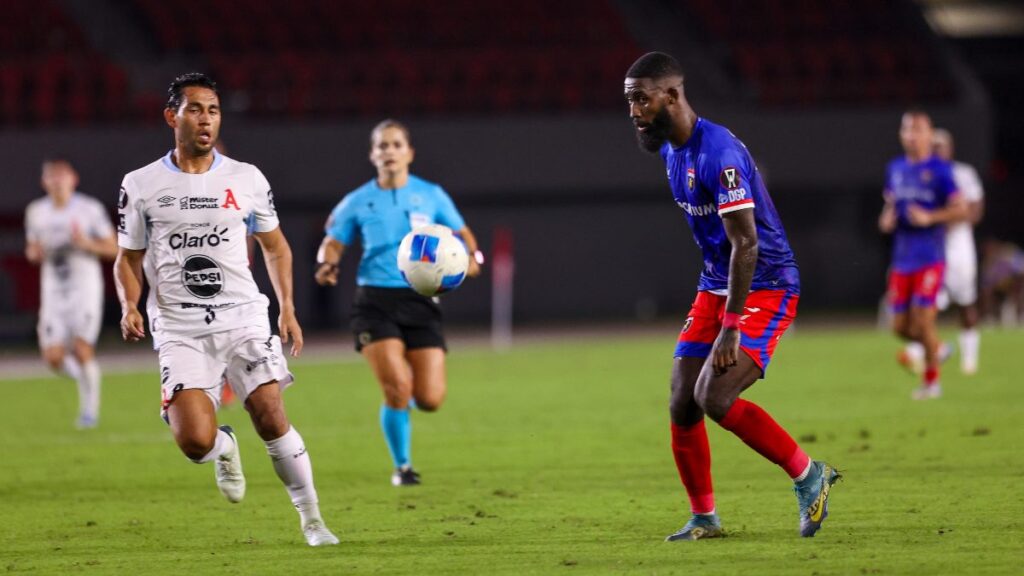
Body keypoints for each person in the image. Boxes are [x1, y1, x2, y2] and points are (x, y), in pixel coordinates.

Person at [113, 73, 337, 546]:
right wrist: (128, 304)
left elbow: (275, 248)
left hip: (242, 318)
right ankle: (223, 445)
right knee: (194, 441)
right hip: (179, 326)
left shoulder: (247, 178)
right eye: (195, 109)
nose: (205, 119)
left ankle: (313, 520)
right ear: (172, 116)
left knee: (271, 412)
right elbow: (128, 259)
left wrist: (287, 309)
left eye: (213, 111)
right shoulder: (141, 185)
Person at [623, 52, 839, 541]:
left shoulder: (717, 155)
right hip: (716, 283)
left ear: (672, 96)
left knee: (714, 395)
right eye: (629, 100)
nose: (633, 110)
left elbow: (747, 242)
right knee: (682, 401)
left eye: (640, 98)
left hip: (766, 282)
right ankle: (704, 517)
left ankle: (810, 475)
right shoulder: (670, 148)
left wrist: (731, 322)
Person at [314, 119, 482, 486]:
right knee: (396, 389)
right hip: (375, 302)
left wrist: (473, 259)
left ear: (409, 153)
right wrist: (327, 263)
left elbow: (464, 235)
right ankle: (402, 466)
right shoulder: (357, 201)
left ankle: (403, 404)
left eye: (395, 145)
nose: (389, 151)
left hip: (421, 301)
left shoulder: (431, 195)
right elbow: (333, 239)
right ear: (373, 155)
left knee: (430, 398)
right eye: (382, 146)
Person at [879, 111, 967, 399]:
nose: (911, 135)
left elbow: (960, 208)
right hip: (902, 258)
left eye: (917, 130)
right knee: (900, 328)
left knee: (922, 321)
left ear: (929, 135)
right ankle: (939, 349)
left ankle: (932, 382)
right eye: (907, 129)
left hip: (930, 256)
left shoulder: (940, 170)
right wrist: (887, 219)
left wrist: (931, 217)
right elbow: (890, 207)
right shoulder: (896, 168)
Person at [24, 158, 117, 429]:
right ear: (44, 182)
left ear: (73, 179)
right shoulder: (36, 211)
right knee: (53, 358)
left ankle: (89, 411)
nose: (57, 181)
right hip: (53, 291)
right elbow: (31, 249)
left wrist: (86, 243)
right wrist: (35, 253)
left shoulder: (89, 209)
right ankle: (86, 377)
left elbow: (113, 248)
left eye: (61, 176)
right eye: (51, 177)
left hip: (84, 289)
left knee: (81, 349)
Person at [900, 128, 984, 374]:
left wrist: (939, 219)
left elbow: (975, 211)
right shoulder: (918, 173)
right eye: (933, 145)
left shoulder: (963, 174)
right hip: (931, 246)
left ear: (950, 148)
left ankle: (969, 359)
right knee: (928, 301)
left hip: (959, 246)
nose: (936, 150)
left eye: (941, 146)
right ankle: (927, 350)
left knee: (965, 300)